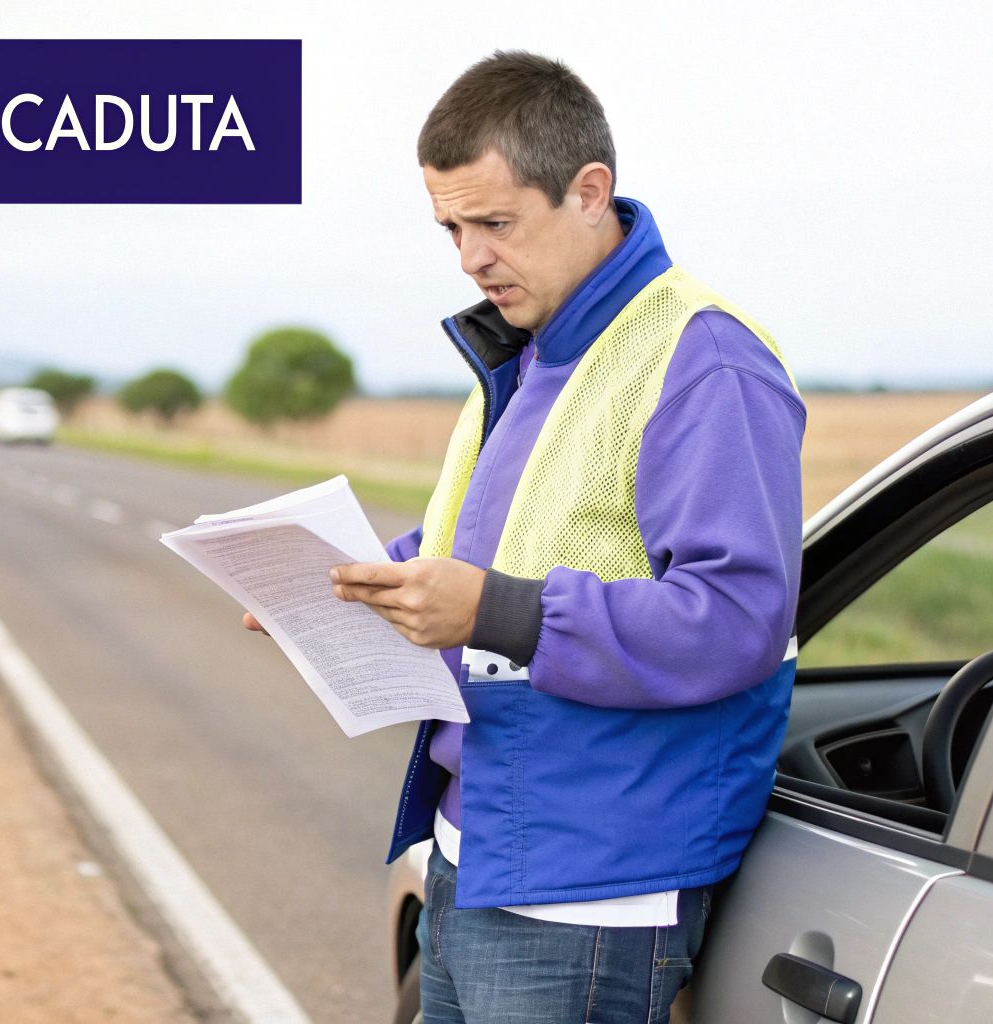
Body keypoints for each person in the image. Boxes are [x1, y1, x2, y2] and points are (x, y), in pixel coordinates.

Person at [245, 50, 805, 1022]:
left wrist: (491, 610)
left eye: (493, 222)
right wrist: (341, 585)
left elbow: (734, 617)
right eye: (450, 227)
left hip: (589, 879)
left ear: (589, 191)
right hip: (478, 843)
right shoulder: (531, 348)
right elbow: (489, 538)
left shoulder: (701, 356)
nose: (468, 256)